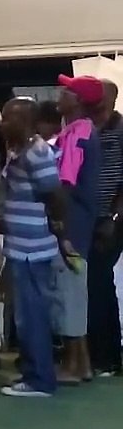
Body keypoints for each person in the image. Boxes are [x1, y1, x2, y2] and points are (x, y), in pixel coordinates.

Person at [0, 98, 67, 398]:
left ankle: (40, 380)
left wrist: (58, 226)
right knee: (25, 316)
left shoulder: (36, 153)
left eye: (12, 117)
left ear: (29, 121)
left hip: (33, 249)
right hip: (20, 247)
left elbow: (54, 194)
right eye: (4, 116)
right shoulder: (17, 151)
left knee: (32, 316)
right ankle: (32, 372)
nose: (5, 123)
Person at [53, 75, 102, 385]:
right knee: (74, 295)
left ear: (79, 100)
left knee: (69, 296)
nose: (62, 93)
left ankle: (73, 365)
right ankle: (81, 363)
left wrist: (57, 221)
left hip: (72, 224)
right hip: (78, 222)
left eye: (68, 90)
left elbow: (65, 182)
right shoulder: (77, 131)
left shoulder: (78, 134)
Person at [88, 80, 123, 377]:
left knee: (101, 285)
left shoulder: (121, 131)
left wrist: (114, 218)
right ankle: (96, 352)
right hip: (87, 217)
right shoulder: (85, 128)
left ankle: (109, 355)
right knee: (91, 285)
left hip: (110, 219)